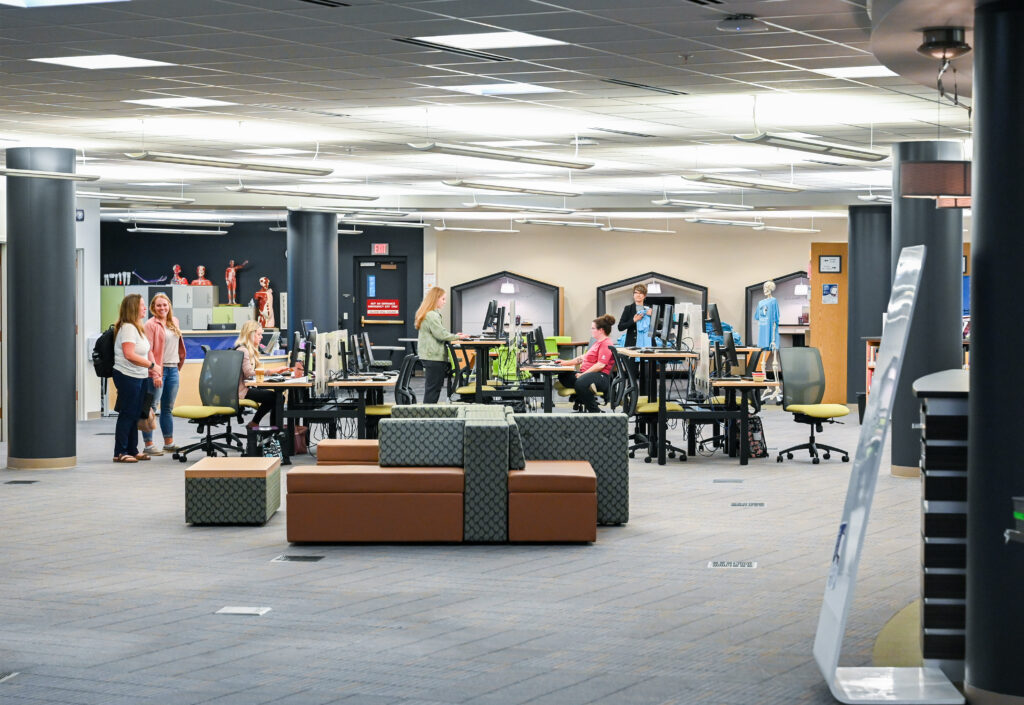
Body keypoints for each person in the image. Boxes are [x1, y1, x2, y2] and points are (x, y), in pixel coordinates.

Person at [111, 294, 156, 463]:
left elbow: (143, 351)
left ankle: (132, 449)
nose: (145, 308)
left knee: (136, 413)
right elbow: (129, 354)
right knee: (127, 413)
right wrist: (152, 365)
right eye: (142, 305)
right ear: (133, 308)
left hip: (139, 375)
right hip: (127, 375)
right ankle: (120, 452)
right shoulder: (128, 327)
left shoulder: (138, 327)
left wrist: (149, 368)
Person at [141, 293, 187, 456]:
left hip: (173, 369)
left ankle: (169, 443)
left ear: (169, 306)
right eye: (159, 305)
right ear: (153, 307)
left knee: (167, 408)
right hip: (157, 371)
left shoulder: (174, 322)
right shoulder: (150, 324)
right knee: (151, 408)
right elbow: (149, 350)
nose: (162, 308)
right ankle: (149, 444)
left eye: (165, 305)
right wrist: (156, 373)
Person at [414, 286, 468, 404]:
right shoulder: (432, 315)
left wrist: (454, 336)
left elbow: (440, 333)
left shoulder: (428, 313)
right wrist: (458, 336)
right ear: (435, 299)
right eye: (443, 299)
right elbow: (441, 334)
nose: (444, 302)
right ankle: (428, 417)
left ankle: (428, 415)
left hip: (430, 356)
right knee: (433, 389)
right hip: (433, 356)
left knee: (433, 388)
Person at [557, 314, 617, 413]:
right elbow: (581, 358)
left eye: (593, 328)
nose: (591, 330)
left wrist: (582, 375)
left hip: (601, 376)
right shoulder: (597, 342)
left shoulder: (606, 344)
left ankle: (596, 412)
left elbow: (600, 365)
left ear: (601, 330)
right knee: (563, 374)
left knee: (581, 382)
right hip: (587, 374)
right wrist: (565, 363)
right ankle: (584, 391)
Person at [234, 320, 287, 427]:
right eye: (259, 334)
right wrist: (272, 371)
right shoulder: (243, 350)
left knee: (277, 397)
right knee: (277, 398)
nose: (261, 337)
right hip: (241, 391)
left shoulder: (249, 350)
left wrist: (271, 374)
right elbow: (249, 373)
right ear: (250, 334)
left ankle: (258, 424)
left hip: (245, 388)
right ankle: (272, 430)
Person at [617, 283, 654, 348]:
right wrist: (634, 320)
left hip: (649, 344)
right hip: (632, 345)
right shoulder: (628, 308)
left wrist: (652, 316)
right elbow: (620, 327)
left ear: (644, 296)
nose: (638, 295)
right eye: (636, 293)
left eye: (641, 293)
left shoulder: (650, 308)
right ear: (633, 295)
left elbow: (659, 327)